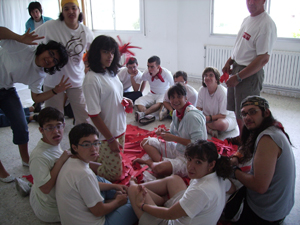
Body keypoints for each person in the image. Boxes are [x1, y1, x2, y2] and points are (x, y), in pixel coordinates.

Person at [0, 26, 70, 183]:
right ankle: (1, 170)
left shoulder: (39, 74)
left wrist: (55, 91)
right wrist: (19, 37)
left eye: (54, 60)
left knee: (21, 124)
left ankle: (26, 159)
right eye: (50, 53)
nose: (50, 59)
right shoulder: (24, 47)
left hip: (6, 90)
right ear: (44, 49)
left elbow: (36, 97)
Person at [128, 140, 236, 225]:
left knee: (134, 189)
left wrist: (142, 206)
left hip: (170, 220)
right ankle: (159, 199)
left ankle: (134, 188)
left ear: (211, 164)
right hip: (187, 212)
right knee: (174, 179)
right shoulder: (219, 175)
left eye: (198, 162)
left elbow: (169, 214)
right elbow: (232, 189)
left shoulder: (201, 190)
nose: (190, 166)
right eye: (189, 159)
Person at [56, 123, 138, 225]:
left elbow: (91, 184)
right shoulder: (84, 174)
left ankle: (113, 198)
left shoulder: (71, 161)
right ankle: (117, 201)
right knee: (135, 203)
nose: (93, 148)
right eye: (86, 145)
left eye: (96, 143)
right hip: (98, 221)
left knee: (99, 179)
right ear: (75, 147)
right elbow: (98, 211)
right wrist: (118, 202)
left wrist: (115, 185)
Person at [231, 96, 295, 224]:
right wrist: (236, 158)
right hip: (279, 207)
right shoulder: (271, 128)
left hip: (266, 214)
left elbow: (259, 186)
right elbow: (246, 147)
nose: (247, 117)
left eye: (253, 112)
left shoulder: (267, 139)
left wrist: (233, 171)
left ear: (266, 113)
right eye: (244, 114)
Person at [34, 0, 94, 125]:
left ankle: (83, 143)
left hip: (76, 80)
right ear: (62, 12)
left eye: (73, 8)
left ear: (79, 10)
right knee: (52, 119)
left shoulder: (86, 31)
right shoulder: (50, 26)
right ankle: (54, 145)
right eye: (66, 9)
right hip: (53, 81)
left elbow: (95, 51)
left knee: (83, 116)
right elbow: (31, 40)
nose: (70, 11)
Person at [82, 35, 133, 182]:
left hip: (119, 128)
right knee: (114, 174)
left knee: (114, 163)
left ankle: (94, 156)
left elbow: (112, 95)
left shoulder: (110, 72)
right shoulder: (91, 79)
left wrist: (125, 100)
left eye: (112, 52)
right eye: (105, 52)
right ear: (97, 53)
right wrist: (110, 139)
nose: (110, 56)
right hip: (107, 135)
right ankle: (82, 163)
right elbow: (94, 115)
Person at [222, 0, 277, 133]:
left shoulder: (266, 24)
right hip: (237, 68)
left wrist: (239, 77)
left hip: (248, 74)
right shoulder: (247, 19)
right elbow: (241, 47)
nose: (251, 2)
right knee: (237, 108)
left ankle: (250, 142)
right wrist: (229, 61)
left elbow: (263, 58)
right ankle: (243, 137)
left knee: (249, 112)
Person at [134, 83, 207, 177]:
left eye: (179, 96)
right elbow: (173, 133)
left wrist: (173, 138)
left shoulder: (192, 116)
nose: (175, 100)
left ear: (186, 98)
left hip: (192, 157)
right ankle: (162, 163)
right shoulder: (176, 112)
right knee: (145, 142)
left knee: (159, 170)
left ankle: (156, 164)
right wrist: (163, 133)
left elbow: (198, 144)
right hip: (179, 149)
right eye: (172, 97)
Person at [27, 107, 71, 222]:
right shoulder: (39, 157)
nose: (56, 131)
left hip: (42, 193)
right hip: (50, 211)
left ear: (64, 125)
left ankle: (29, 188)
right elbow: (45, 188)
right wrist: (61, 160)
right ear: (41, 130)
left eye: (58, 126)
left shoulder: (52, 142)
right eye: (50, 128)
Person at [196, 67, 237, 138]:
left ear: (216, 79)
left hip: (226, 118)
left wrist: (206, 119)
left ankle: (205, 126)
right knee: (193, 117)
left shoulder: (222, 92)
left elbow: (223, 115)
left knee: (221, 124)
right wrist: (197, 116)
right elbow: (198, 108)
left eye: (211, 75)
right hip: (209, 118)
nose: (207, 77)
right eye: (205, 75)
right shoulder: (202, 90)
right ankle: (209, 129)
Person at [135, 56, 174, 125]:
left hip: (163, 94)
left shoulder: (167, 73)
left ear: (158, 67)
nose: (149, 69)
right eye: (148, 66)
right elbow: (143, 81)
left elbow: (173, 86)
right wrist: (139, 92)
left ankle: (143, 114)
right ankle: (146, 115)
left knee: (160, 103)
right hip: (152, 94)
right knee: (138, 101)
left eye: (152, 67)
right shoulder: (147, 72)